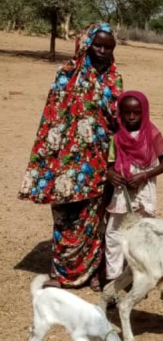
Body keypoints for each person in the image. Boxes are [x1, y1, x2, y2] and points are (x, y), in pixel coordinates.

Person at [18, 22, 123, 290]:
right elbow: (51, 120)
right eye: (97, 45)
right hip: (65, 163)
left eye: (108, 47)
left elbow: (119, 122)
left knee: (96, 218)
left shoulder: (114, 79)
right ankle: (64, 273)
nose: (102, 50)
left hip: (98, 163)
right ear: (85, 44)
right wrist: (47, 162)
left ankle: (95, 271)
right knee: (65, 217)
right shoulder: (65, 74)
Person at [104, 91, 163, 282]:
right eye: (127, 112)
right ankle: (113, 278)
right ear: (120, 113)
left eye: (137, 112)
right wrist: (111, 175)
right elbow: (109, 166)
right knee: (114, 233)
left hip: (144, 192)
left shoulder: (153, 135)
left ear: (144, 112)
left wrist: (144, 175)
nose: (131, 116)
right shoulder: (116, 138)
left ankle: (141, 278)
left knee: (143, 234)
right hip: (121, 193)